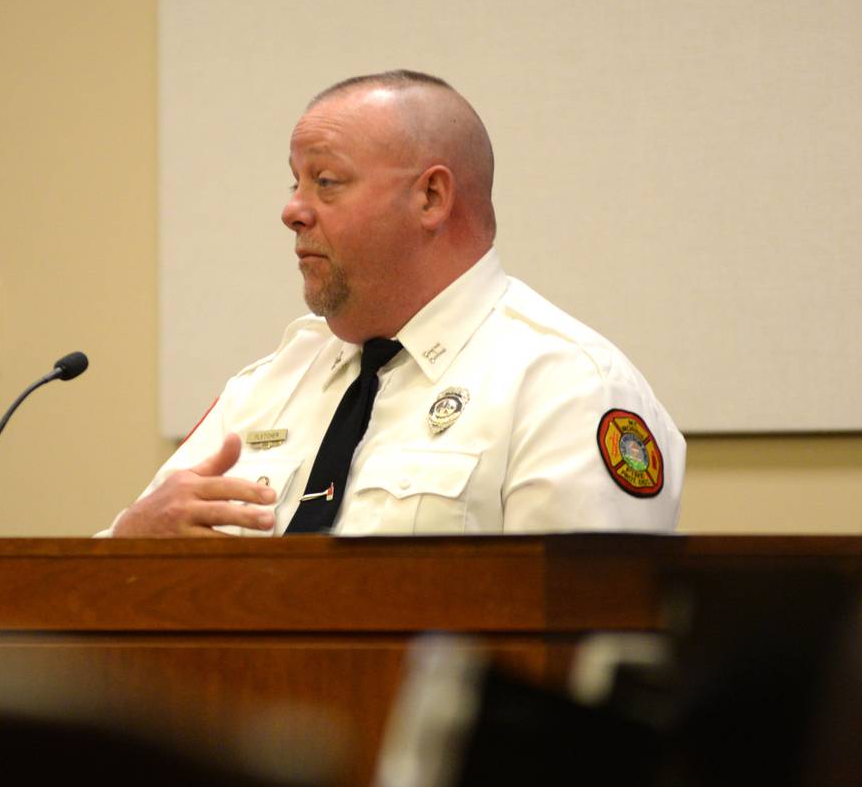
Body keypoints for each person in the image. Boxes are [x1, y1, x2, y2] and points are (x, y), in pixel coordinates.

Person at [104, 70, 683, 537]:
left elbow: (575, 645)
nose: (293, 210)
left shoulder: (564, 385)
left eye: (325, 182)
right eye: (295, 183)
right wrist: (132, 542)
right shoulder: (267, 388)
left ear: (431, 196)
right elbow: (94, 591)